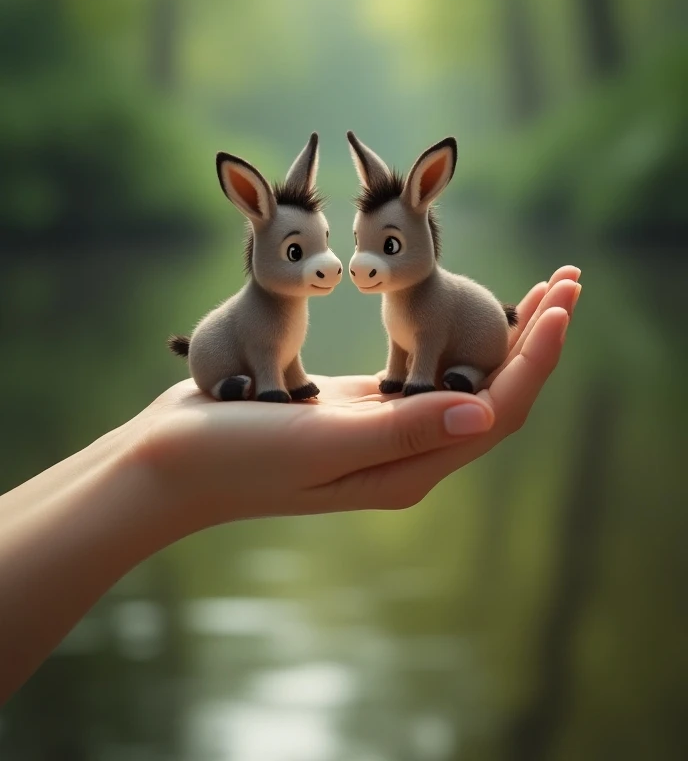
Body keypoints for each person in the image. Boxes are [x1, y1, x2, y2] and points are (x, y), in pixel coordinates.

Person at [0, 266, 580, 703]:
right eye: (303, 252)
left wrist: (152, 461)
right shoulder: (265, 312)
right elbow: (267, 349)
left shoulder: (422, 300)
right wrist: (165, 463)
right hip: (223, 366)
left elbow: (294, 350)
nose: (338, 263)